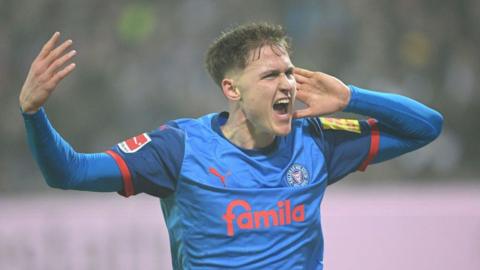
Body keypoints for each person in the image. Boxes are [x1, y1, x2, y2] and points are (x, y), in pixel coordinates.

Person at [20, 23, 443, 269]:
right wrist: (34, 114)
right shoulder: (178, 150)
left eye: (289, 73)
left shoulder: (316, 140)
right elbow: (68, 171)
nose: (288, 85)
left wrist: (352, 97)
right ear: (231, 89)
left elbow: (426, 128)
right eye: (270, 75)